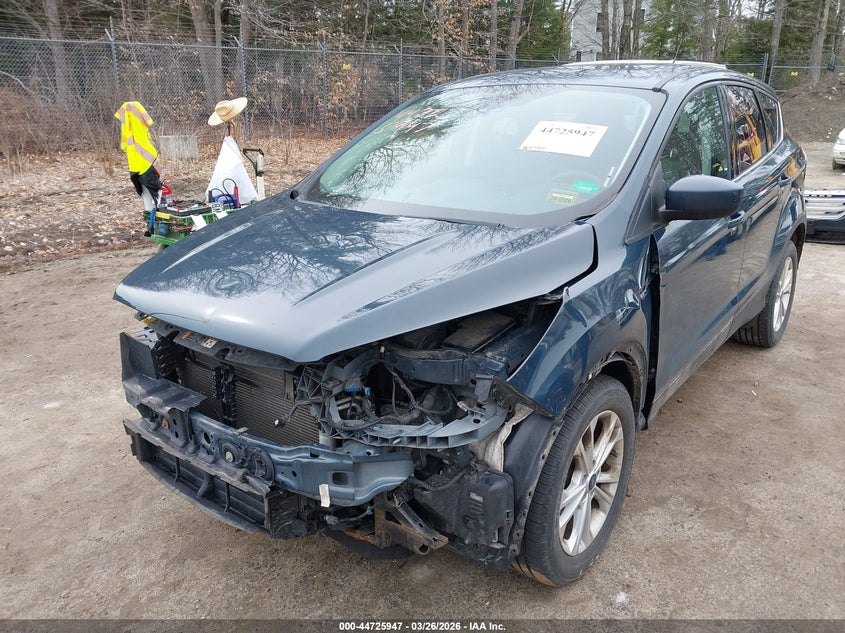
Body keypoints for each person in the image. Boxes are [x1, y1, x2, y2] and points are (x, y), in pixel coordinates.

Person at [114, 101, 162, 215]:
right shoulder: (136, 130)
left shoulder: (131, 129)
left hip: (142, 166)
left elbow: (124, 145)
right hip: (144, 165)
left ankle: (155, 214)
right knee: (153, 196)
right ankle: (155, 213)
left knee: (153, 196)